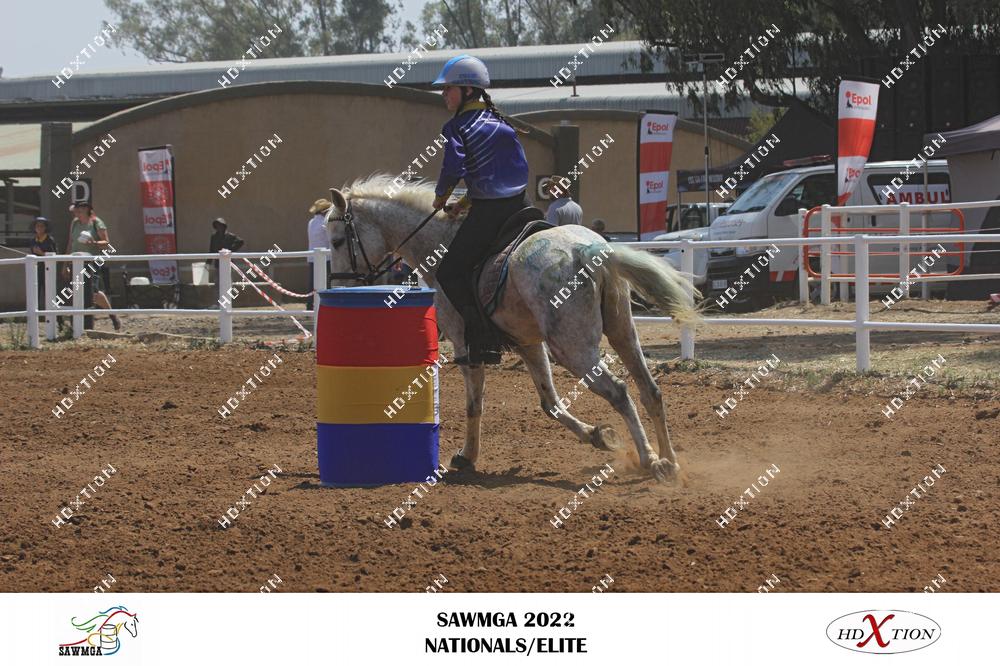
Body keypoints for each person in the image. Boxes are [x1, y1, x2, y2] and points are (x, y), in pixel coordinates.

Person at [430, 54, 530, 366]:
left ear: (468, 90)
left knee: (448, 272)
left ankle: (484, 340)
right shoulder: (502, 124)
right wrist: (463, 204)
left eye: (448, 88)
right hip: (522, 206)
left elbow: (454, 167)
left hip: (489, 214)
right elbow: (498, 176)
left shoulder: (456, 126)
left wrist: (441, 196)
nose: (444, 94)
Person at [66, 202, 120, 331]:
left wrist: (93, 242)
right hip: (75, 261)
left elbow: (106, 243)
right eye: (76, 211)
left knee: (93, 291)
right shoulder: (75, 223)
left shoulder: (96, 222)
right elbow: (71, 242)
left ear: (86, 210)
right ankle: (79, 323)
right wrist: (65, 263)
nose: (76, 213)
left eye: (79, 210)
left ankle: (111, 316)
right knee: (77, 289)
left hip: (92, 261)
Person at [305, 199, 332, 309]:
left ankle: (309, 305)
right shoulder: (325, 223)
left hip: (312, 257)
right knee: (327, 282)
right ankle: (327, 305)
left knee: (313, 282)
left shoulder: (311, 222)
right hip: (325, 257)